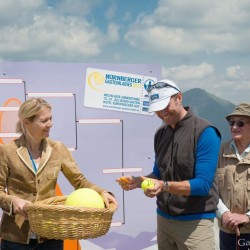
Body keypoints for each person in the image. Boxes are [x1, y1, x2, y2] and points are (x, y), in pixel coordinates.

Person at [116, 79, 221, 250]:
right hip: (164, 220)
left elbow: (202, 185)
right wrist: (138, 181)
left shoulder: (205, 131)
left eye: (165, 105)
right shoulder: (161, 133)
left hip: (195, 224)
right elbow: (159, 173)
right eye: (157, 108)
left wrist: (163, 186)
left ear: (179, 97)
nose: (162, 112)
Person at [0, 98, 117, 250]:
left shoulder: (58, 149)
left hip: (50, 237)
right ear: (26, 122)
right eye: (44, 120)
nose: (50, 124)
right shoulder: (7, 151)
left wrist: (102, 192)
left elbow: (79, 181)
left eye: (51, 119)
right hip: (15, 238)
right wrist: (12, 201)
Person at [216, 103, 250, 250]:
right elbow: (210, 187)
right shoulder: (219, 151)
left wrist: (248, 217)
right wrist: (224, 213)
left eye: (240, 123)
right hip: (227, 232)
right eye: (232, 122)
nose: (234, 127)